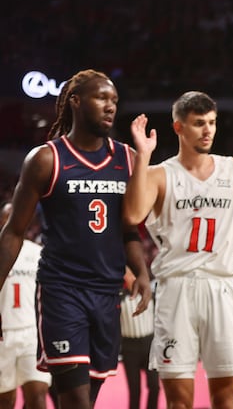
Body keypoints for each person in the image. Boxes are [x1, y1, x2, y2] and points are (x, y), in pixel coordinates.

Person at [122, 91, 233, 408]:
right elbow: (133, 215)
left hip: (223, 287)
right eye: (198, 123)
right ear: (179, 128)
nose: (207, 130)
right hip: (176, 290)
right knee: (179, 400)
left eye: (212, 123)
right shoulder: (159, 174)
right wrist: (143, 158)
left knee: (225, 396)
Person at [0, 69, 152, 409]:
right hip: (62, 291)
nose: (110, 106)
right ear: (76, 102)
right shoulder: (45, 159)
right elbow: (13, 231)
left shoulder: (126, 158)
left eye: (114, 100)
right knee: (76, 402)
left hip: (108, 293)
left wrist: (141, 270)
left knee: (89, 399)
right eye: (101, 98)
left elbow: (128, 228)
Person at [0, 203, 52, 409]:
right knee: (5, 401)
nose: (11, 219)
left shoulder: (39, 252)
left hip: (32, 334)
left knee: (38, 397)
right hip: (3, 336)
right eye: (6, 215)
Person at [120, 268, 159, 409]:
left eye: (134, 274)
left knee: (155, 386)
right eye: (129, 275)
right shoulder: (119, 298)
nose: (132, 278)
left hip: (150, 344)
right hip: (129, 347)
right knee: (135, 390)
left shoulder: (151, 294)